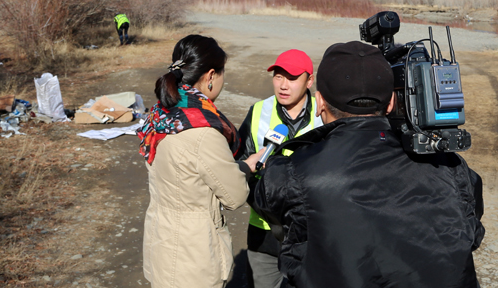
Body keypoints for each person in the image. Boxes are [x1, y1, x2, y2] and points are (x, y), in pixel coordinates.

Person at [251, 41, 485, 288]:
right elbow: (472, 235)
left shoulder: (293, 171)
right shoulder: (450, 166)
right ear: (391, 103)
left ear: (319, 102)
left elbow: (269, 205)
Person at [138, 34, 259, 288]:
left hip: (161, 245)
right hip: (192, 259)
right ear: (211, 76)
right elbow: (235, 196)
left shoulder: (161, 114)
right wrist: (245, 168)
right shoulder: (202, 131)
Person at [236, 49, 323, 288]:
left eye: (292, 78)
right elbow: (240, 165)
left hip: (310, 234)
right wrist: (267, 207)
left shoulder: (323, 114)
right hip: (263, 232)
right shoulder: (258, 111)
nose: (283, 85)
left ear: (309, 81)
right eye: (278, 76)